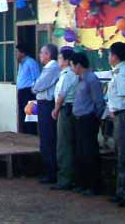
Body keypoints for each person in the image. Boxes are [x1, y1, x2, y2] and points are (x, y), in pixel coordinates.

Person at [71, 52, 106, 196]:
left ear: (79, 65)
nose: (72, 68)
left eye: (73, 65)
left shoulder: (91, 79)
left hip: (88, 119)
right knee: (80, 152)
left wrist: (94, 118)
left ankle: (94, 185)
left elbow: (99, 102)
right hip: (79, 119)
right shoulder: (79, 79)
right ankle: (83, 183)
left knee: (90, 152)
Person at [107, 42, 125, 206]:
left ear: (115, 56)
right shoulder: (118, 71)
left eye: (110, 54)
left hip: (124, 116)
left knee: (124, 155)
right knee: (120, 154)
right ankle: (121, 190)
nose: (108, 57)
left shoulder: (122, 72)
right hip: (118, 115)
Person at [32, 44, 61, 184]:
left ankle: (51, 173)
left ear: (48, 54)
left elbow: (38, 86)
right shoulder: (48, 68)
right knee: (45, 138)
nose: (40, 55)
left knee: (48, 138)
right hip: (43, 104)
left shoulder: (52, 68)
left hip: (47, 104)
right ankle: (48, 171)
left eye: (42, 53)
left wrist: (35, 86)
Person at [50, 48, 78, 190]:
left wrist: (55, 108)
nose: (58, 60)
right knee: (67, 144)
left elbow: (61, 94)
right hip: (68, 109)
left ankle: (65, 179)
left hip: (65, 109)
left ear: (67, 61)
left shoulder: (68, 75)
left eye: (60, 58)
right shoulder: (69, 74)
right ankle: (68, 177)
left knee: (64, 145)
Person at [16, 44, 40, 134]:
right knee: (22, 114)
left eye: (18, 52)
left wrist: (33, 91)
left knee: (30, 114)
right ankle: (24, 135)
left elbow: (37, 78)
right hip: (21, 92)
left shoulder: (31, 62)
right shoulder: (21, 63)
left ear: (22, 53)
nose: (16, 54)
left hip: (29, 91)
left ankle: (31, 134)